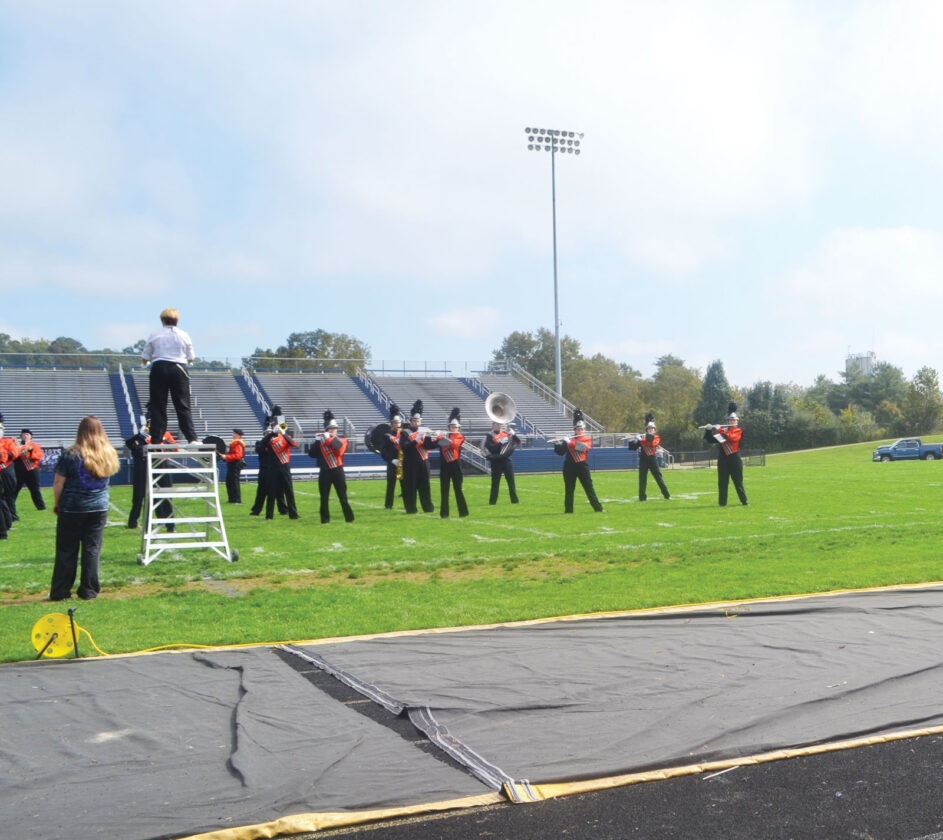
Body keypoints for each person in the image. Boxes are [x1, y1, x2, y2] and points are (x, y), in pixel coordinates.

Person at [49, 416, 120, 601]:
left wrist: (57, 503)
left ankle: (61, 591)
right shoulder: (108, 453)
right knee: (92, 550)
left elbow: (58, 482)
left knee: (66, 550)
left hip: (72, 507)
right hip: (98, 508)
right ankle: (89, 590)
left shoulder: (70, 455)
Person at [141, 308, 198, 446]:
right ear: (177, 320)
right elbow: (191, 357)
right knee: (182, 404)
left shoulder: (154, 334)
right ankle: (191, 438)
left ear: (162, 320)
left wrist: (146, 363)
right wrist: (187, 361)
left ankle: (156, 438)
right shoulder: (183, 335)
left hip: (159, 367)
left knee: (158, 405)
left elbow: (145, 357)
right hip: (178, 368)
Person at [553, 409, 604, 514]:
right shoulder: (570, 439)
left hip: (582, 466)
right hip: (569, 466)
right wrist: (557, 443)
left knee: (589, 488)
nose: (579, 431)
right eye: (577, 429)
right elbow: (560, 452)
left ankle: (598, 508)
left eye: (581, 429)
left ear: (584, 430)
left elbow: (583, 448)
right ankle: (568, 510)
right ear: (575, 430)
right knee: (569, 489)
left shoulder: (586, 439)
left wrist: (569, 442)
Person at [310, 411, 355, 524]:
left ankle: (349, 518)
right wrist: (316, 441)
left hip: (337, 471)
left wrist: (328, 438)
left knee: (342, 496)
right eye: (330, 429)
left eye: (334, 428)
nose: (332, 430)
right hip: (324, 471)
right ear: (326, 429)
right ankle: (325, 520)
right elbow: (312, 454)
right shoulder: (321, 442)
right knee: (324, 498)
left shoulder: (343, 440)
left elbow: (339, 449)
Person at [704, 402, 748, 507]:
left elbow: (732, 438)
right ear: (728, 421)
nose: (732, 421)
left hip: (735, 459)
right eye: (730, 420)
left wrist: (719, 430)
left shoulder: (738, 431)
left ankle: (744, 501)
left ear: (737, 422)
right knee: (722, 482)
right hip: (723, 460)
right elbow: (711, 440)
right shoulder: (723, 432)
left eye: (734, 420)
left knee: (738, 481)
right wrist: (708, 430)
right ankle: (722, 503)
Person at [400, 400, 435, 514]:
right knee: (410, 486)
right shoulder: (405, 433)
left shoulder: (424, 431)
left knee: (425, 486)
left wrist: (438, 440)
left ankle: (428, 508)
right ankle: (411, 509)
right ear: (410, 421)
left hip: (424, 462)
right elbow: (405, 447)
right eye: (414, 420)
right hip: (410, 464)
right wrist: (416, 439)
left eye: (418, 421)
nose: (416, 422)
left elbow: (428, 446)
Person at [628, 413, 670, 502]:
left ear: (654, 430)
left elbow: (652, 442)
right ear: (647, 429)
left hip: (652, 459)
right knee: (642, 479)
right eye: (649, 429)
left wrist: (641, 439)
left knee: (658, 477)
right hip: (643, 460)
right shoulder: (642, 437)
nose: (651, 430)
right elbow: (632, 448)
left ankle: (667, 495)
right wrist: (633, 440)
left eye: (652, 429)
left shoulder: (656, 437)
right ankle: (642, 497)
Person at [437, 407, 468, 518]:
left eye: (455, 427)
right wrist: (436, 436)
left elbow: (453, 444)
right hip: (444, 465)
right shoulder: (445, 436)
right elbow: (438, 443)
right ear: (449, 427)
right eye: (451, 427)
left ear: (458, 428)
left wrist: (440, 437)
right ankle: (444, 513)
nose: (453, 428)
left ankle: (463, 512)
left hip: (455, 466)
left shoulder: (460, 437)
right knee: (444, 490)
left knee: (458, 489)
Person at [483, 420, 521, 505]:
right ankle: (492, 502)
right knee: (495, 483)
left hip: (506, 460)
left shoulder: (505, 433)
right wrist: (500, 443)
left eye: (500, 424)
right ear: (493, 425)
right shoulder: (489, 435)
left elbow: (518, 442)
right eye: (496, 424)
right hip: (496, 461)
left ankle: (515, 501)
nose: (499, 425)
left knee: (511, 481)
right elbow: (491, 448)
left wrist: (514, 435)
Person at [14, 429, 47, 511]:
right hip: (19, 471)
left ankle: (41, 507)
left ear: (31, 436)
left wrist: (30, 452)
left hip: (32, 470)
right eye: (23, 435)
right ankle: (9, 506)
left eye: (27, 435)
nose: (25, 436)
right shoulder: (16, 446)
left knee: (35, 490)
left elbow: (38, 456)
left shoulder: (35, 446)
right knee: (14, 489)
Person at [379, 404, 404, 510]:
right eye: (394, 423)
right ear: (391, 424)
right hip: (392, 463)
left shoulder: (404, 434)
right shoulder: (387, 435)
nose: (396, 425)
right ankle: (388, 505)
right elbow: (383, 451)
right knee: (391, 486)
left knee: (405, 485)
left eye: (398, 423)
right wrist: (391, 460)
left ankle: (408, 504)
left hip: (403, 463)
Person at [221, 429, 246, 504]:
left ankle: (237, 500)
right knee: (229, 481)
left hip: (236, 464)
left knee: (234, 482)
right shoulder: (234, 443)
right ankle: (231, 499)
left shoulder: (238, 443)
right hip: (232, 464)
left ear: (239, 435)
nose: (233, 435)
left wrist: (226, 457)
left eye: (234, 433)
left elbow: (238, 456)